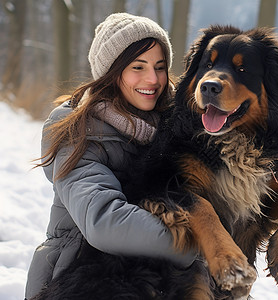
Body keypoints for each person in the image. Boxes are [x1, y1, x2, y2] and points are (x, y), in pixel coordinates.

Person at [25, 13, 197, 299]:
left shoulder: (174, 124)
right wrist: (200, 243)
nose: (152, 79)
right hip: (78, 279)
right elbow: (104, 221)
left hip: (148, 281)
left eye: (160, 66)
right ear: (112, 72)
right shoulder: (76, 127)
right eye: (137, 67)